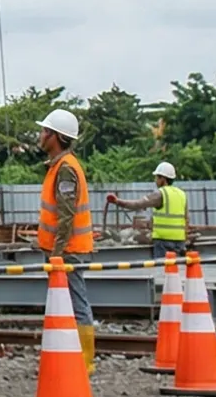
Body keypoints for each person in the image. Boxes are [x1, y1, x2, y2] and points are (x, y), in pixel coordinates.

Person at [33, 108, 94, 371]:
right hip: (61, 249)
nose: (40, 135)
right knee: (64, 303)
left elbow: (66, 215)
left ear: (55, 136)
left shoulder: (66, 169)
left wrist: (57, 252)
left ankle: (85, 361)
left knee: (76, 302)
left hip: (66, 251)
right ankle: (70, 356)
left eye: (44, 131)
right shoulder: (59, 166)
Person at [105, 161, 187, 260]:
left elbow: (136, 204)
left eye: (157, 177)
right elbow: (186, 219)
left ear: (163, 179)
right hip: (180, 241)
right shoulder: (182, 194)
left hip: (163, 243)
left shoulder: (160, 194)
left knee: (163, 271)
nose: (155, 180)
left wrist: (117, 201)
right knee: (178, 270)